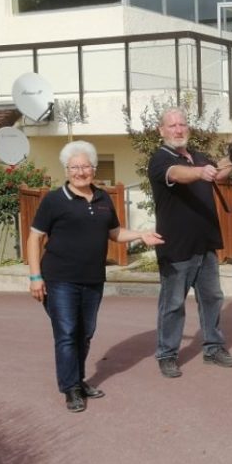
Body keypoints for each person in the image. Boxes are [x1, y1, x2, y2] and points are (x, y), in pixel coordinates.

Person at [27, 140, 164, 413]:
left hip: (93, 279)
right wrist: (35, 277)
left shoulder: (103, 199)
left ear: (93, 168)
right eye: (74, 167)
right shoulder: (54, 200)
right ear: (66, 171)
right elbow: (34, 238)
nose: (80, 172)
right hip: (59, 279)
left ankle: (77, 380)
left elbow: (114, 233)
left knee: (85, 333)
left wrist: (140, 235)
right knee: (67, 333)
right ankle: (71, 388)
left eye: (85, 166)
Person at [147, 106, 232, 378]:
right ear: (162, 130)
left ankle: (213, 347)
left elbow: (218, 173)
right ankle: (167, 354)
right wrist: (200, 173)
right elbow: (177, 174)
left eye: (182, 124)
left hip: (205, 242)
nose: (178, 130)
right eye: (172, 125)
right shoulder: (160, 159)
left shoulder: (197, 156)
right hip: (176, 247)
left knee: (212, 298)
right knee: (173, 304)